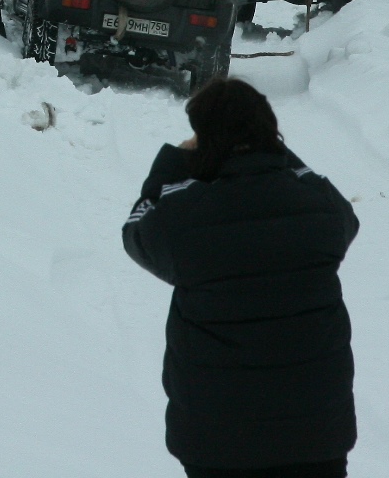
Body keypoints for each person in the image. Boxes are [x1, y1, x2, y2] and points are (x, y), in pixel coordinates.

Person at [122, 78, 359, 478]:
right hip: (316, 436)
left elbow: (137, 230)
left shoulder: (184, 217)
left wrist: (175, 163)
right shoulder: (320, 207)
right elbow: (329, 200)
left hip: (218, 443)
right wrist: (270, 150)